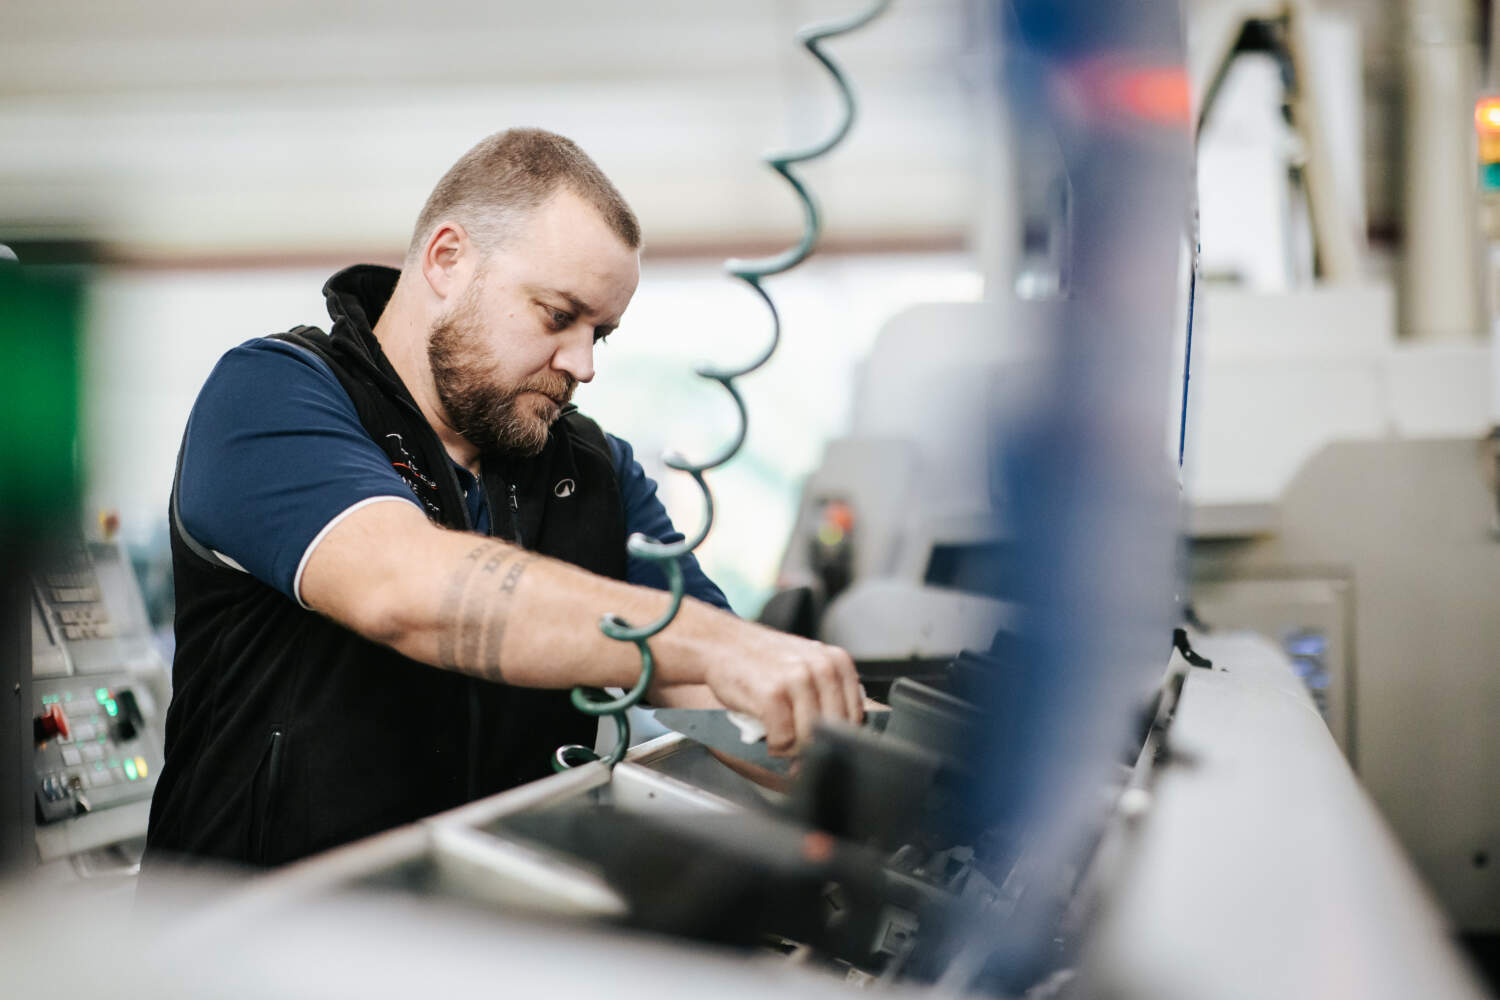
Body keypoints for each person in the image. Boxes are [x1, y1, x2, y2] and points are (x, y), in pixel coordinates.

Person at [144, 128, 863, 869]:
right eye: (558, 316)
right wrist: (718, 642)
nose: (582, 364)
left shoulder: (595, 471)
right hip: (258, 927)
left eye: (601, 335)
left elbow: (716, 689)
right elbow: (404, 589)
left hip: (490, 924)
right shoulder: (270, 393)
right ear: (447, 259)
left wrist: (868, 755)